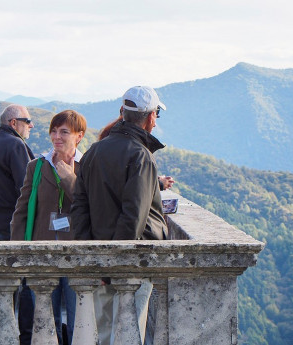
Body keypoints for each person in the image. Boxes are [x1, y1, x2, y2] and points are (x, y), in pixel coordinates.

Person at [72, 86, 169, 345]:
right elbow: (133, 217)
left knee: (103, 334)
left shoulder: (93, 152)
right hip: (131, 265)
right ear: (150, 118)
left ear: (122, 113)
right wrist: (117, 266)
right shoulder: (141, 157)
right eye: (157, 114)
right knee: (128, 333)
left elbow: (79, 208)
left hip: (99, 260)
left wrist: (93, 258)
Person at [11, 110, 87, 345]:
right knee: (46, 322)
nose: (57, 137)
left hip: (77, 256)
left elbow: (90, 205)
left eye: (64, 132)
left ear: (79, 136)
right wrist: (17, 252)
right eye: (54, 131)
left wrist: (68, 176)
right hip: (42, 254)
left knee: (79, 322)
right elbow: (21, 211)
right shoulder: (37, 166)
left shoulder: (86, 166)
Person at [0, 104, 36, 344]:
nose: (31, 125)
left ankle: (4, 333)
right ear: (14, 123)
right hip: (17, 225)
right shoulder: (16, 145)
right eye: (27, 121)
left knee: (7, 283)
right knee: (26, 282)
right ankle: (26, 336)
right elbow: (27, 188)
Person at [99, 115, 174, 190]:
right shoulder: (136, 152)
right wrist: (159, 184)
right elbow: (135, 187)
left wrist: (156, 180)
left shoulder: (101, 148)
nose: (154, 125)